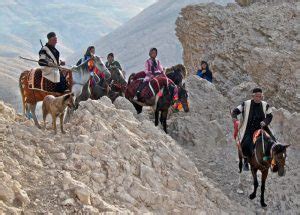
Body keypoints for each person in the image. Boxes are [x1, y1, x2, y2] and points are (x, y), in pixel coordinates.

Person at [231, 88, 275, 171]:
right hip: (248, 128)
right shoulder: (246, 104)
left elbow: (270, 116)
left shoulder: (265, 105)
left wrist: (265, 122)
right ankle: (246, 161)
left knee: (272, 141)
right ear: (253, 96)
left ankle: (271, 161)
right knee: (246, 143)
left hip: (261, 128)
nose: (258, 98)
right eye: (257, 96)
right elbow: (235, 111)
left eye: (260, 96)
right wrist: (234, 118)